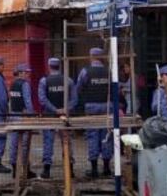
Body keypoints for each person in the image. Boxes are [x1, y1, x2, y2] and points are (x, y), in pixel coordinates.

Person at [76, 47, 112, 178]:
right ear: (102, 57)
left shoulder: (85, 71)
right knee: (106, 135)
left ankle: (94, 169)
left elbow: (78, 88)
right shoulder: (109, 71)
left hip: (91, 106)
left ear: (91, 57)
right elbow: (115, 88)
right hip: (107, 106)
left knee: (92, 135)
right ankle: (107, 168)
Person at [37, 57, 76, 179]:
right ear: (59, 66)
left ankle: (46, 170)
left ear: (49, 66)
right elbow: (74, 99)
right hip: (65, 116)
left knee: (48, 141)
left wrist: (54, 109)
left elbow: (42, 99)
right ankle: (70, 170)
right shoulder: (68, 80)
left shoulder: (44, 81)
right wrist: (65, 109)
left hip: (49, 115)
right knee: (66, 141)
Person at [7, 63, 35, 180]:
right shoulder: (24, 85)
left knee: (13, 143)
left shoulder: (12, 84)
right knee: (24, 144)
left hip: (13, 115)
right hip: (23, 116)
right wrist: (31, 115)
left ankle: (14, 170)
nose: (27, 75)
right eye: (26, 72)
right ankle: (25, 170)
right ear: (20, 73)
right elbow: (27, 101)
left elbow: (11, 101)